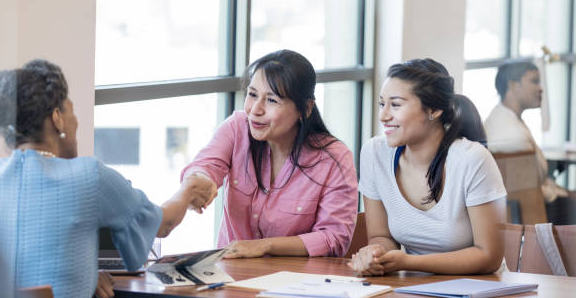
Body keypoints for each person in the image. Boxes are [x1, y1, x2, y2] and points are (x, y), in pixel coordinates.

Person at [0, 59, 217, 298]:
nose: (76, 121)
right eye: (71, 110)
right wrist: (189, 189)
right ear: (57, 118)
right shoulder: (88, 175)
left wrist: (86, 274)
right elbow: (163, 223)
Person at [180, 50, 358, 258]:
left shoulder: (334, 158)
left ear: (306, 109)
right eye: (253, 94)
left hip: (297, 282)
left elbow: (334, 239)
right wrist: (200, 182)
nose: (255, 109)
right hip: (231, 276)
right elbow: (206, 166)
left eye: (271, 100)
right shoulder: (237, 128)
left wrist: (266, 246)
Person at [350, 58, 506, 276]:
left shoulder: (472, 160)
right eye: (381, 103)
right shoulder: (374, 153)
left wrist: (409, 262)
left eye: (395, 105)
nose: (383, 115)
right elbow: (381, 236)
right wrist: (375, 253)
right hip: (412, 290)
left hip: (479, 290)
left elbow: (488, 256)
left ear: (433, 110)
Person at [484, 61, 569, 203]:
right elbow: (529, 188)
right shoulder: (512, 135)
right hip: (537, 208)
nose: (540, 88)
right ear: (512, 85)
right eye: (534, 81)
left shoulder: (505, 119)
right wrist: (562, 194)